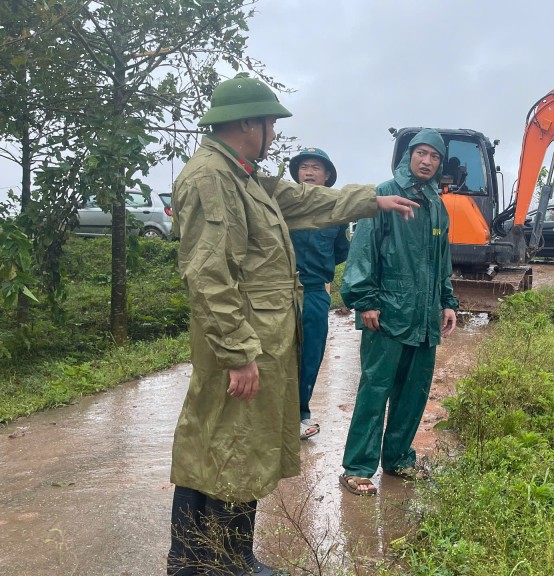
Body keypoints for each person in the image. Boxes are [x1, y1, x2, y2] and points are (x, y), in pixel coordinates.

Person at [166, 73, 417, 576]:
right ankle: (225, 562)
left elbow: (306, 201)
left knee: (216, 441)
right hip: (243, 340)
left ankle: (192, 561)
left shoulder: (241, 174)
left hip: (256, 336)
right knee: (239, 447)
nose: (275, 135)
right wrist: (238, 352)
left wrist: (374, 199)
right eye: (270, 124)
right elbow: (209, 273)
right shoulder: (212, 178)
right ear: (246, 123)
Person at [339, 128, 459, 497]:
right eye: (421, 153)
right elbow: (364, 249)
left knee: (414, 391)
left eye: (434, 156)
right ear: (408, 156)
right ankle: (357, 467)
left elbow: (441, 261)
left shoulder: (437, 205)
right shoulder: (384, 194)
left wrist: (448, 301)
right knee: (375, 388)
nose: (426, 161)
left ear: (440, 164)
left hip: (424, 316)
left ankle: (398, 459)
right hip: (388, 311)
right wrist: (365, 300)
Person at [287, 147, 349, 441]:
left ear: (326, 176)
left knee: (310, 355)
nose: (309, 172)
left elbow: (340, 253)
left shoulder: (336, 213)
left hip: (314, 292)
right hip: (280, 293)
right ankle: (269, 416)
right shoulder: (283, 207)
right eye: (304, 167)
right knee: (275, 355)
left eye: (315, 168)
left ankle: (301, 414)